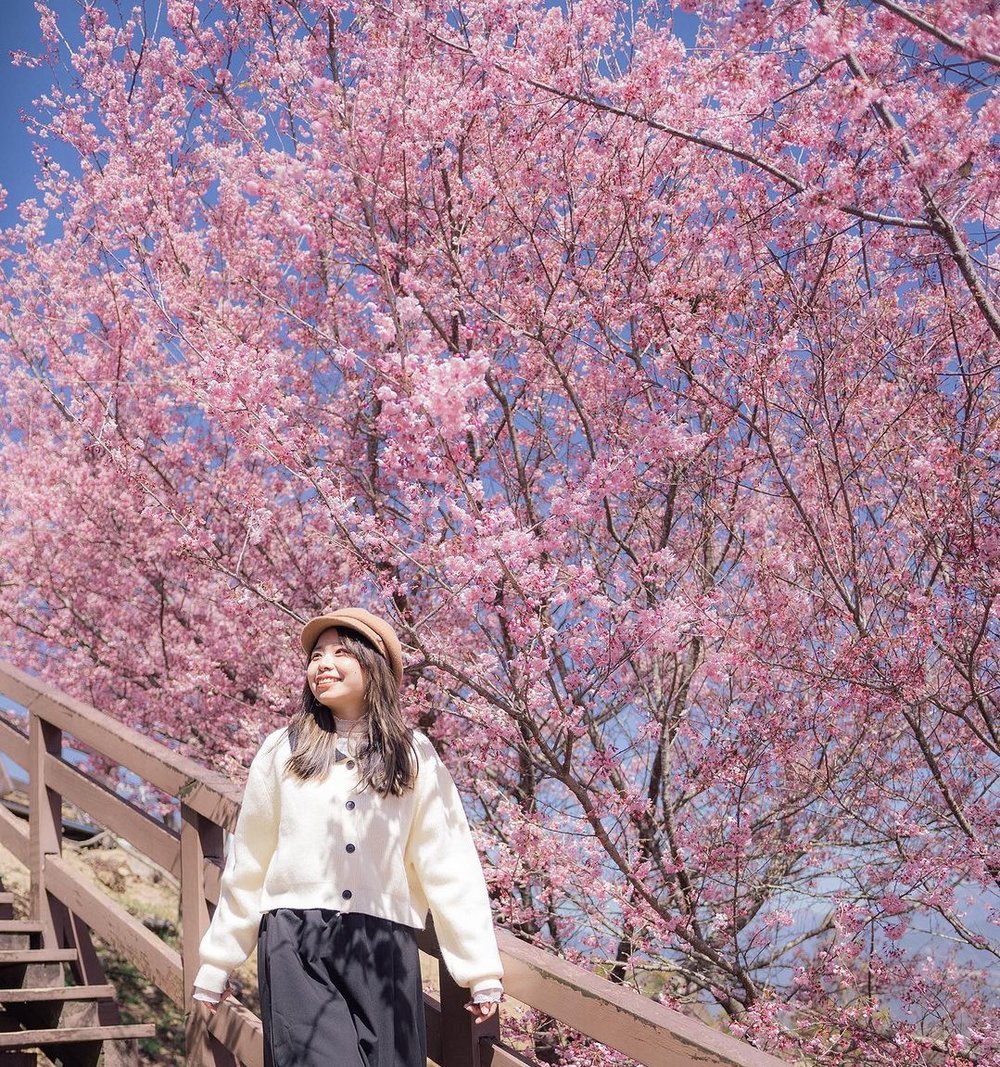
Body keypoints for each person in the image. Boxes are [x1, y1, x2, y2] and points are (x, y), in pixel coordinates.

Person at [192, 606, 504, 1067]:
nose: (323, 663)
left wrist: (478, 971)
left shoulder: (413, 755)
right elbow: (249, 861)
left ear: (374, 664)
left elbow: (448, 861)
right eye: (316, 654)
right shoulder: (282, 750)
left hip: (385, 942)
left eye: (341, 651)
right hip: (296, 940)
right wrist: (218, 962)